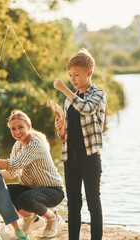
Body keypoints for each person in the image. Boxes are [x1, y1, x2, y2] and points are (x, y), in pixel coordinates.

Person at [0, 110, 65, 238]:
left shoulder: (35, 144)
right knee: (2, 190)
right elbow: (11, 172)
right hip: (31, 189)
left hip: (53, 191)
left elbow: (15, 164)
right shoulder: (17, 145)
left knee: (25, 199)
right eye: (13, 129)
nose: (17, 132)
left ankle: (52, 218)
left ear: (28, 126)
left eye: (20, 127)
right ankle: (33, 219)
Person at [53, 48, 106, 240]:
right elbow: (68, 133)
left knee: (93, 202)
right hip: (70, 157)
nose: (72, 79)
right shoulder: (69, 101)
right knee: (73, 204)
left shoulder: (98, 95)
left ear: (89, 73)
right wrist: (61, 130)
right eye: (69, 75)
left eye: (76, 75)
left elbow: (86, 109)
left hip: (90, 157)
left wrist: (65, 90)